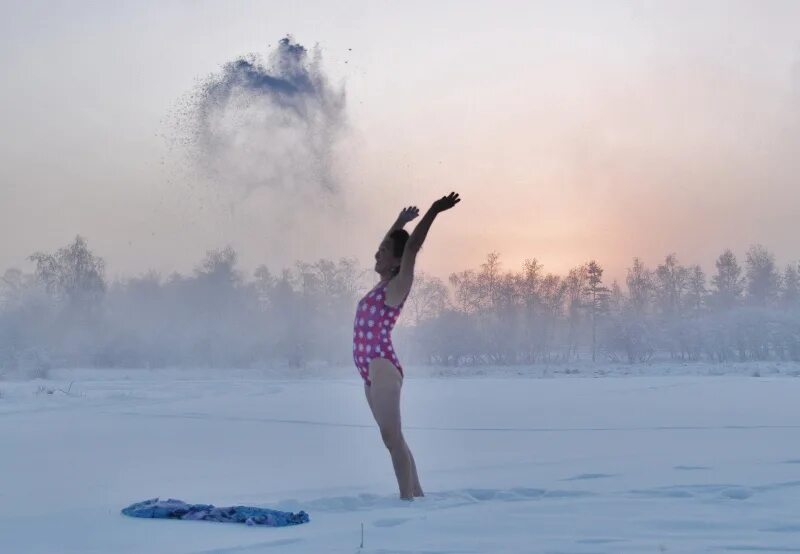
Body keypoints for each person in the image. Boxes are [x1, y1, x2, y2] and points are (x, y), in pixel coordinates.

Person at [353, 192, 461, 499]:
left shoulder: (397, 286)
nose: (376, 255)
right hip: (368, 370)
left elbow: (411, 246)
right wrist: (398, 222)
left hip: (382, 365)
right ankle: (417, 493)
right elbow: (395, 245)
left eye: (384, 251)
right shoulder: (380, 283)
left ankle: (407, 501)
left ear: (397, 260)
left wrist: (433, 211)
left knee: (392, 436)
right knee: (392, 439)